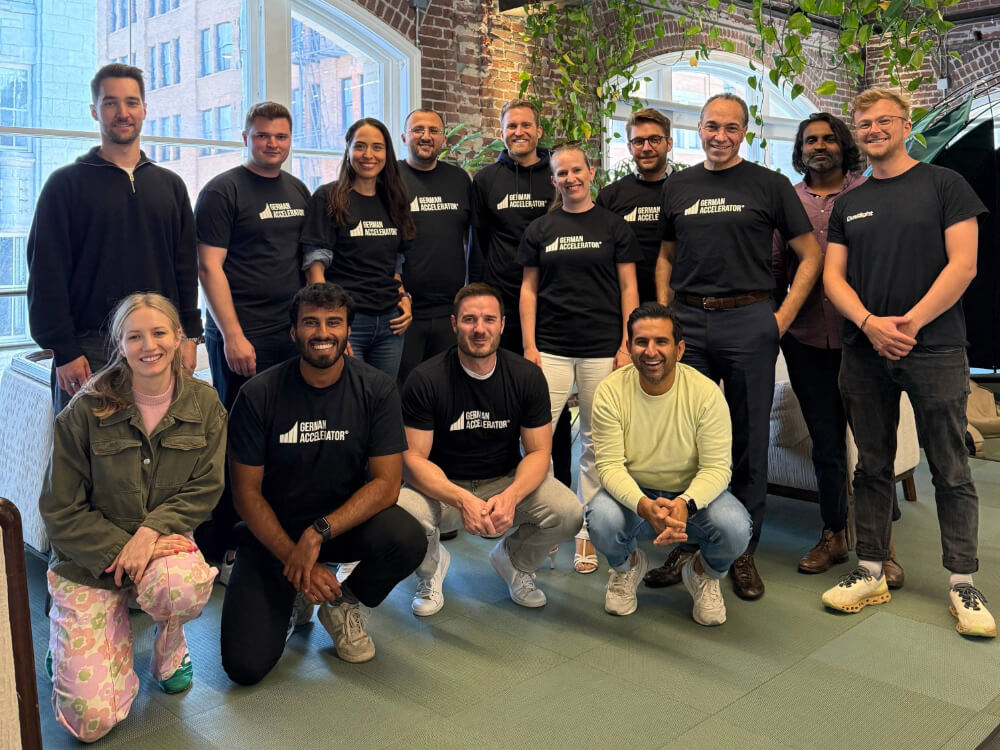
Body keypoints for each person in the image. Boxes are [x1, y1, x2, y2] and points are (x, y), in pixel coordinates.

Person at [821, 89, 994, 638]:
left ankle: (963, 581)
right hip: (864, 349)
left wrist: (910, 324)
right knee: (871, 465)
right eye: (864, 123)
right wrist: (870, 324)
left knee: (950, 467)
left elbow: (963, 266)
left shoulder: (946, 185)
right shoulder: (849, 203)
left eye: (883, 121)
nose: (873, 130)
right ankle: (870, 569)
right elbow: (832, 278)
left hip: (935, 348)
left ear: (905, 124)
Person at [650, 93, 822, 599]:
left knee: (748, 437)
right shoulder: (678, 185)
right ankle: (689, 541)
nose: (720, 136)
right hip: (688, 321)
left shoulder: (769, 184)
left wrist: (780, 319)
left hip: (749, 319)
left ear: (744, 132)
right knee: (687, 436)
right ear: (698, 128)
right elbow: (665, 257)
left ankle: (743, 549)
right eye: (711, 126)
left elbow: (810, 255)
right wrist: (664, 315)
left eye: (730, 128)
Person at [39, 293, 225, 743]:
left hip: (162, 551)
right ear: (119, 344)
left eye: (159, 333)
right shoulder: (84, 410)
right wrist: (130, 547)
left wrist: (150, 533)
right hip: (87, 560)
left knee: (180, 586)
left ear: (179, 338)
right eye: (135, 336)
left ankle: (170, 645)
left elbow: (206, 487)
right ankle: (72, 642)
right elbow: (60, 509)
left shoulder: (205, 404)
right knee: (89, 722)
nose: (149, 346)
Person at [221, 283, 427, 684]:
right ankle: (295, 590)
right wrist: (295, 556)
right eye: (310, 322)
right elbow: (246, 495)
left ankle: (341, 605)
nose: (322, 333)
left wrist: (318, 533)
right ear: (293, 331)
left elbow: (388, 484)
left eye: (334, 322)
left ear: (348, 330)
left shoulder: (376, 388)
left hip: (339, 527)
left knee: (406, 538)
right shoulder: (258, 394)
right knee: (244, 667)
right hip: (275, 536)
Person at [771, 113, 905, 584]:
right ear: (800, 149)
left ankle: (881, 545)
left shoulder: (869, 193)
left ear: (842, 144)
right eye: (810, 140)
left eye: (828, 138)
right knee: (826, 445)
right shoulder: (787, 199)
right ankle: (833, 534)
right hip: (806, 339)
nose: (819, 146)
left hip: (864, 338)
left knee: (873, 445)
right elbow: (776, 266)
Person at [397, 283, 582, 614]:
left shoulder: (526, 376)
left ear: (502, 324)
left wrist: (511, 496)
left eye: (488, 319)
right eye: (469, 319)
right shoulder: (426, 379)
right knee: (400, 516)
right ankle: (430, 569)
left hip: (503, 482)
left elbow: (539, 452)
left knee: (569, 513)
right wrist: (462, 499)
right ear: (454, 324)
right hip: (443, 487)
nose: (479, 329)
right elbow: (412, 460)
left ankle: (514, 561)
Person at [27, 63, 201, 414]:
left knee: (159, 445)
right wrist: (64, 350)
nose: (123, 113)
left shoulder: (170, 186)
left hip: (159, 346)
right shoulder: (64, 186)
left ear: (145, 109)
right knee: (86, 449)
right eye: (110, 103)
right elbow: (46, 274)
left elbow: (185, 268)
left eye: (132, 102)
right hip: (90, 351)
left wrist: (190, 335)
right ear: (95, 111)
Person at [195, 101, 310, 575]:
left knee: (286, 438)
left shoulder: (298, 190)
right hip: (242, 336)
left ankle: (274, 535)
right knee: (239, 443)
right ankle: (224, 544)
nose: (272, 144)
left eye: (281, 136)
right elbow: (209, 267)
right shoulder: (223, 191)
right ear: (246, 138)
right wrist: (233, 336)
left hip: (289, 334)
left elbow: (304, 262)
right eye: (262, 135)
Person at [518, 144, 641, 573]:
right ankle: (550, 521)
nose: (570, 178)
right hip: (549, 348)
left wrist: (626, 345)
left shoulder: (613, 226)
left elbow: (629, 288)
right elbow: (529, 289)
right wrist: (529, 346)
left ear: (591, 171)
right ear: (553, 180)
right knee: (538, 440)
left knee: (595, 441)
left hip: (601, 349)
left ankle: (586, 527)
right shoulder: (541, 228)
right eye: (561, 173)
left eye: (576, 170)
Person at [589, 303, 751, 623]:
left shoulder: (705, 393)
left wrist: (685, 504)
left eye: (661, 342)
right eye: (641, 342)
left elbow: (717, 468)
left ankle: (702, 573)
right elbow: (609, 466)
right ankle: (627, 566)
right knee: (600, 520)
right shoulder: (610, 391)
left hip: (690, 494)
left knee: (736, 528)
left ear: (679, 349)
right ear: (629, 347)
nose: (651, 351)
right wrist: (643, 505)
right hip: (636, 492)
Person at [469, 99, 574, 494]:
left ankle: (557, 485)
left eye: (526, 125)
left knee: (550, 399)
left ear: (538, 131)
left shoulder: (557, 173)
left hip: (553, 305)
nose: (519, 132)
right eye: (511, 126)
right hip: (502, 307)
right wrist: (479, 298)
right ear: (502, 133)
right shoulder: (486, 180)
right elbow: (478, 243)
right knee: (499, 394)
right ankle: (504, 481)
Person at [299, 118, 415, 379]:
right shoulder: (329, 197)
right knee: (349, 392)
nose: (368, 155)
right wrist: (331, 323)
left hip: (391, 323)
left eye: (377, 147)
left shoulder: (394, 199)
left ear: (387, 152)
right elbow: (314, 267)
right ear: (348, 149)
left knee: (383, 394)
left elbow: (394, 264)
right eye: (360, 146)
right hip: (350, 320)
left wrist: (404, 298)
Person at [397, 107, 475, 385]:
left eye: (433, 131)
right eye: (418, 129)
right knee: (403, 390)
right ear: (404, 137)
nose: (426, 136)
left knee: (446, 388)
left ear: (443, 139)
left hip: (449, 309)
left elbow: (470, 237)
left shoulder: (459, 180)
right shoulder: (389, 178)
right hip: (403, 310)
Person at [597, 107, 674, 303]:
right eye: (638, 141)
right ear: (630, 147)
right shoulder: (610, 196)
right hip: (626, 304)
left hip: (680, 305)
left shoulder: (686, 190)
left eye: (655, 139)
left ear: (669, 143)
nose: (646, 148)